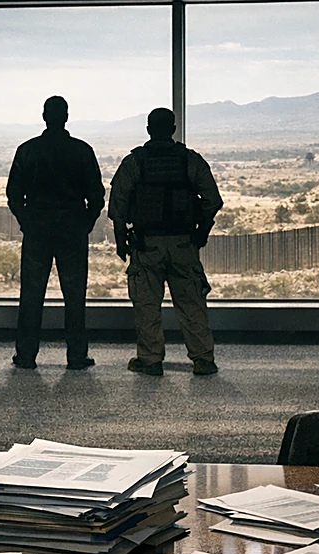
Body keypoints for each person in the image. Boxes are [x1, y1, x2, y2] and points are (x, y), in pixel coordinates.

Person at [108, 107, 223, 376]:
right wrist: (200, 234)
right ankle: (203, 359)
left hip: (147, 245)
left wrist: (120, 242)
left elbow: (118, 206)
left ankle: (150, 360)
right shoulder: (190, 160)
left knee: (147, 305)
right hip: (183, 244)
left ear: (148, 129)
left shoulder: (135, 161)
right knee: (192, 303)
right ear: (173, 129)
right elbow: (212, 201)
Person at [7, 96, 106, 370]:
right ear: (66, 116)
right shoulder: (82, 151)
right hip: (72, 227)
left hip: (37, 227)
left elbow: (14, 193)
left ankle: (26, 355)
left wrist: (26, 220)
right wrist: (86, 221)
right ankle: (76, 355)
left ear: (44, 116)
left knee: (31, 294)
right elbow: (96, 195)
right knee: (75, 295)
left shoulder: (27, 150)